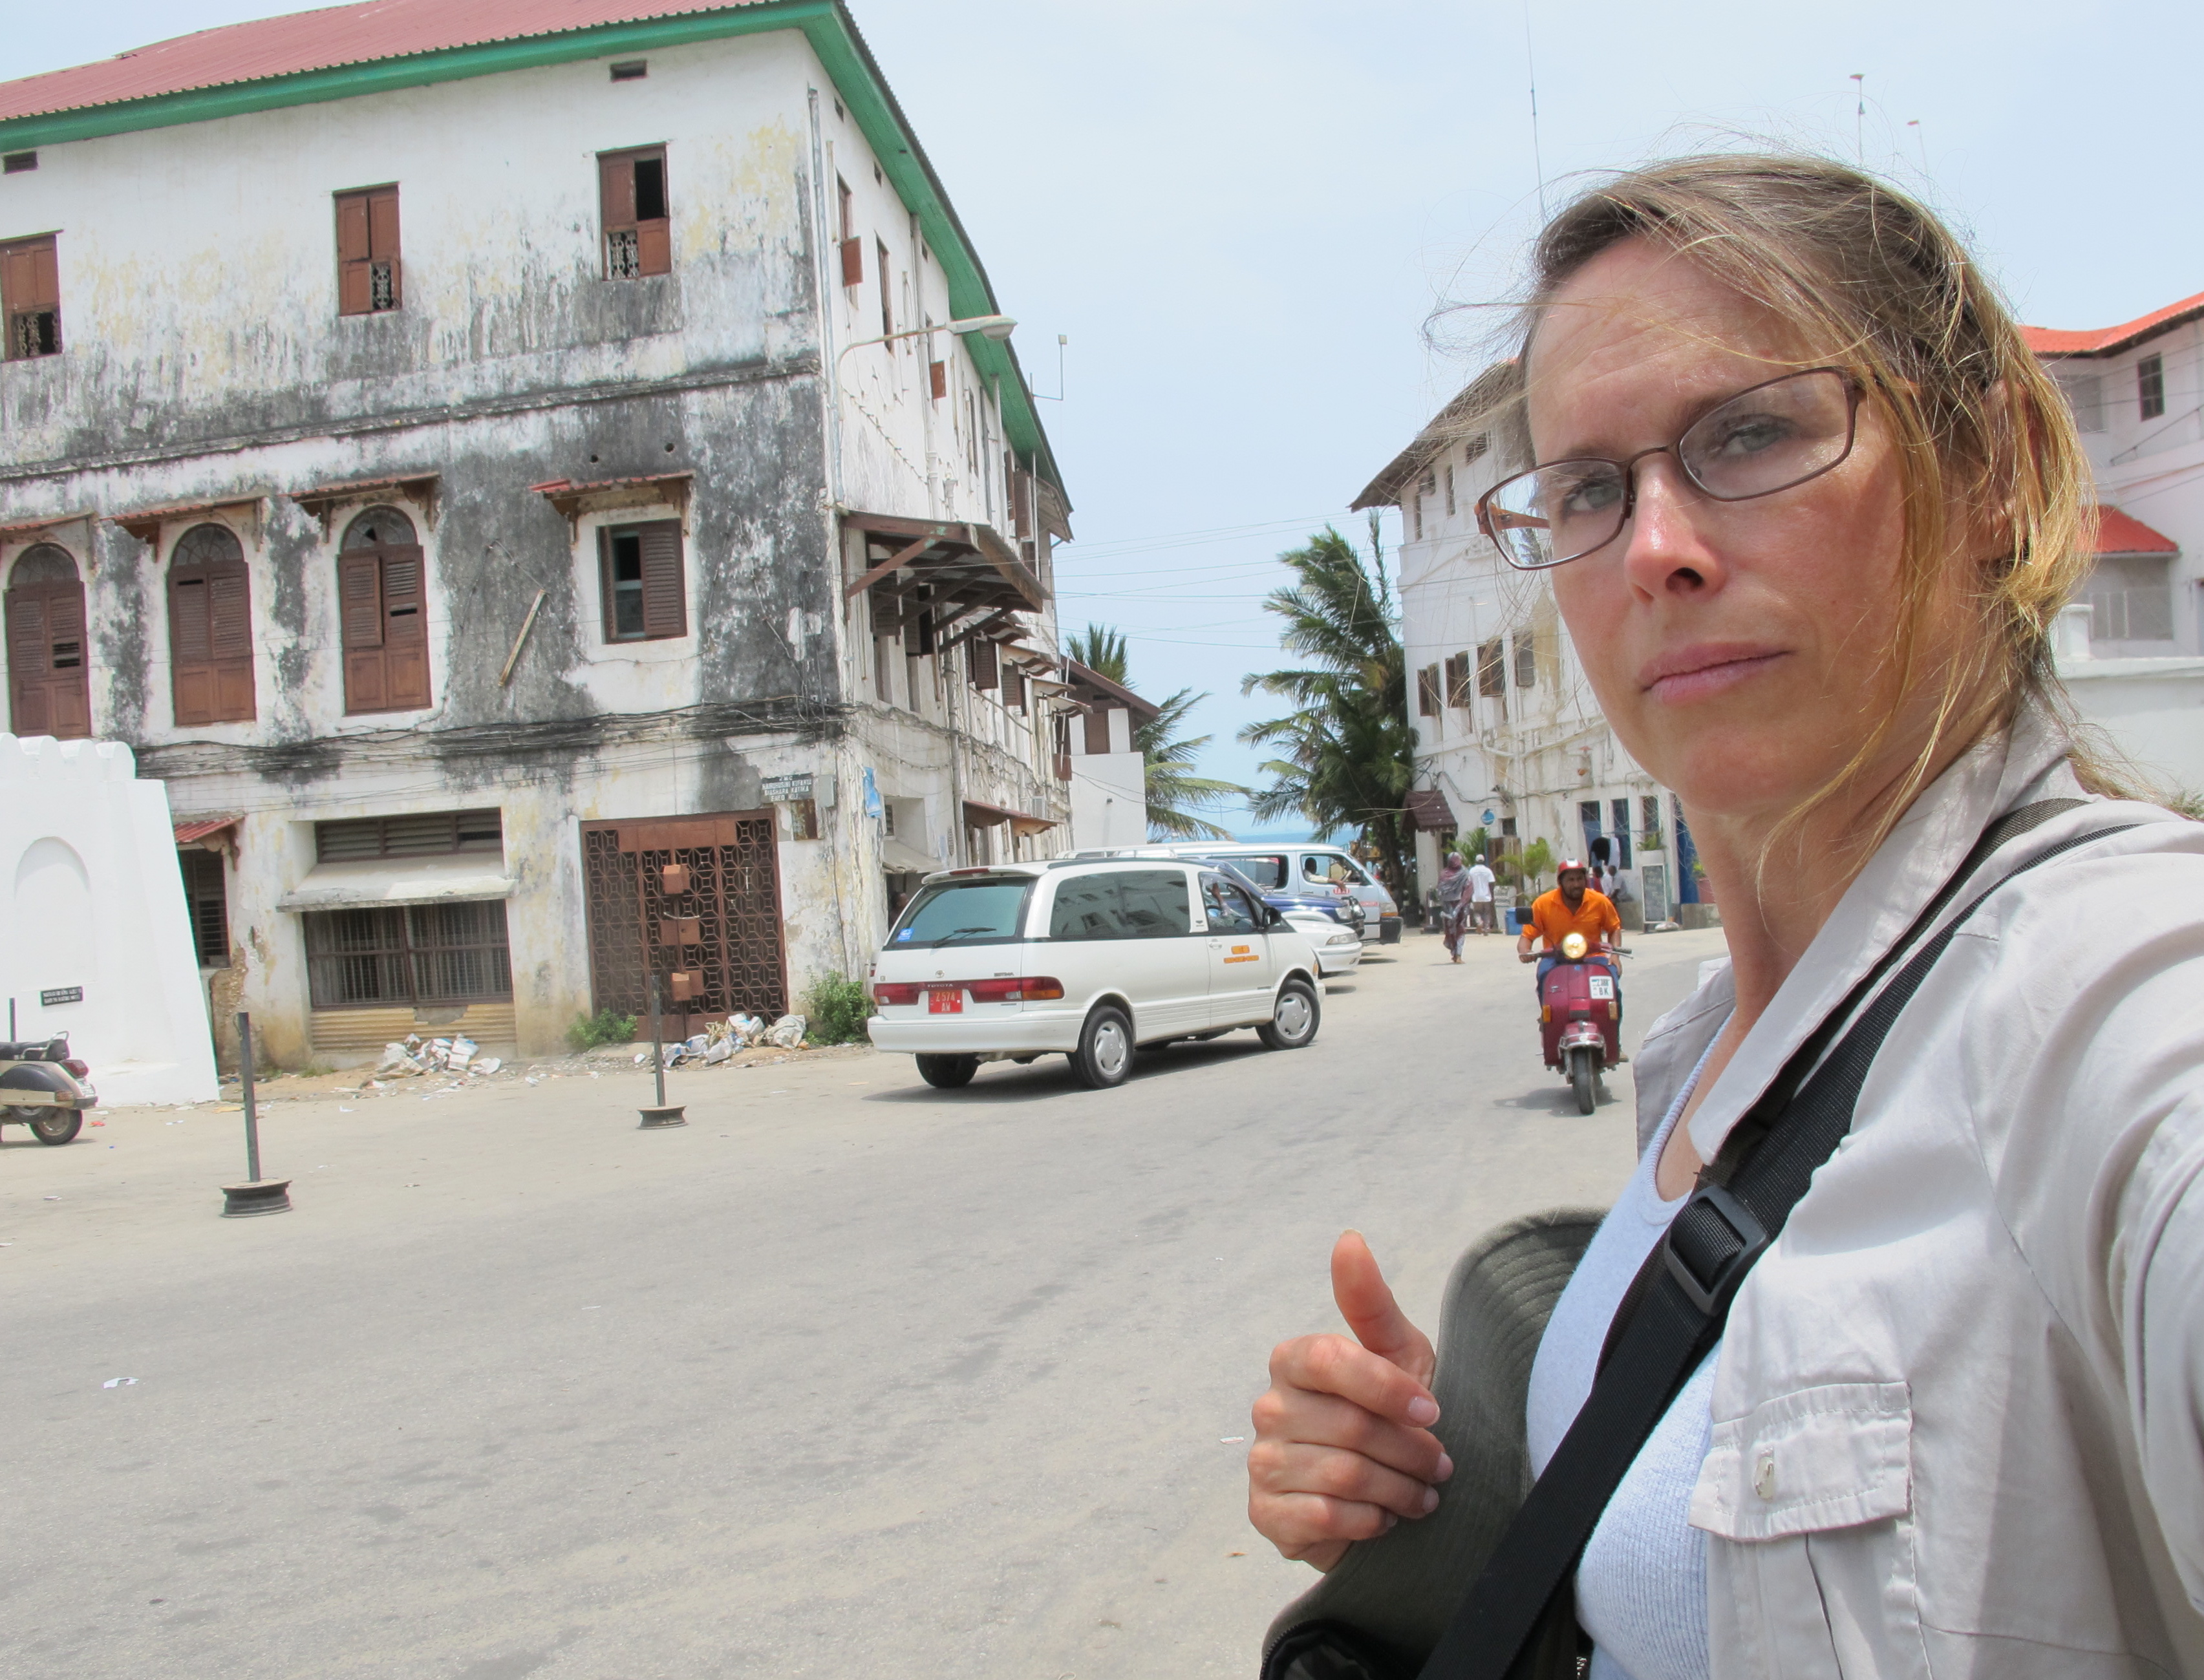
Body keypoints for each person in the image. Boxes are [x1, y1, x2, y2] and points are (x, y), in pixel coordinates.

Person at [1246, 153, 2204, 1677]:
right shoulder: (1712, 1064)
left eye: (1750, 436)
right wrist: (1451, 1478)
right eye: (1588, 487)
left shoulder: (2107, 999)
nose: (1653, 551)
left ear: (1998, 472)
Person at [1517, 858, 1623, 1019]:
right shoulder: (1543, 903)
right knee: (1544, 977)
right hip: (1556, 958)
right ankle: (1549, 1018)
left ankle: (1613, 1035)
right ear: (1561, 882)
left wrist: (1615, 955)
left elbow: (1614, 928)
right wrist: (1526, 952)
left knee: (1612, 987)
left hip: (1594, 957)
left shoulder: (1600, 901)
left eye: (1580, 879)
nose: (1576, 885)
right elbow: (1527, 936)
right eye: (1571, 880)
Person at [1433, 851, 1470, 962]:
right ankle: (1456, 954)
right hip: (1456, 906)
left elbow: (1439, 891)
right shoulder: (1464, 873)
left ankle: (1457, 954)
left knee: (1454, 929)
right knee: (1456, 929)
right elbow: (1468, 890)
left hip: (1454, 906)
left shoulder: (1458, 873)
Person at [1466, 853, 1497, 933]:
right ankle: (1486, 929)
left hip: (1476, 896)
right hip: (1486, 896)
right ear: (1484, 861)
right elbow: (1491, 883)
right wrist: (1492, 895)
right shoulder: (1488, 871)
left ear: (1476, 861)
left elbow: (1468, 884)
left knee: (1476, 912)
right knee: (1487, 913)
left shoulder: (1472, 871)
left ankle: (1479, 923)